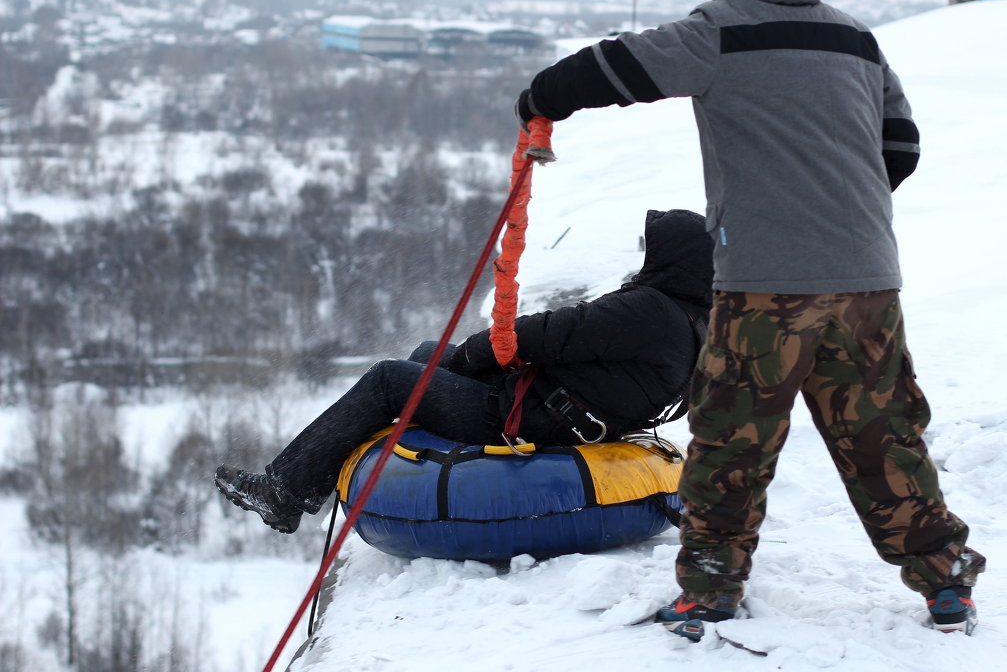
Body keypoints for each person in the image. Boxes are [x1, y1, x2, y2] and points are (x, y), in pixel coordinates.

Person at [514, 0, 985, 637]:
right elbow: (903, 146)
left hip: (762, 283)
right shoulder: (853, 36)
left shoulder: (719, 29)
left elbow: (614, 67)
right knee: (883, 430)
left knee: (734, 435)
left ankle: (708, 588)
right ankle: (944, 578)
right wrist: (838, 214)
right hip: (865, 279)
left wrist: (538, 97)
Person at [215, 208, 714, 535]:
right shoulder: (694, 322)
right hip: (559, 409)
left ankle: (284, 492)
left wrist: (471, 355)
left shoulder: (649, 310)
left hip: (528, 418)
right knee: (427, 352)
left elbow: (544, 333)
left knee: (392, 378)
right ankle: (391, 457)